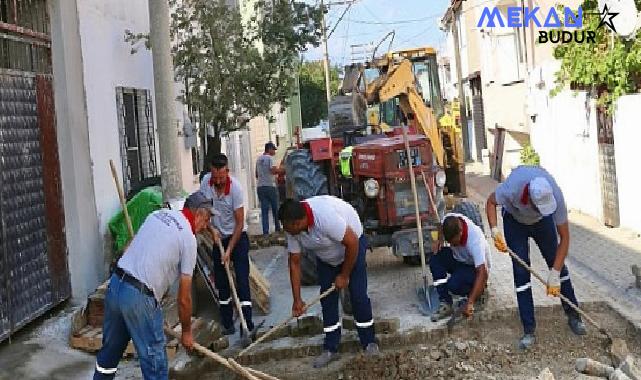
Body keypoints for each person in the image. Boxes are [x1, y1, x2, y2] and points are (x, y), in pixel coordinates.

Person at [94, 191, 216, 380]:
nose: (206, 226)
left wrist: (154, 305)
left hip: (116, 284)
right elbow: (184, 298)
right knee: (155, 364)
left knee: (109, 354)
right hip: (138, 296)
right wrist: (186, 333)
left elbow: (134, 248)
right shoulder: (188, 240)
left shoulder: (157, 215)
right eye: (207, 220)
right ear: (198, 214)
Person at [486, 165, 586, 350]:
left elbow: (565, 237)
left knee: (559, 267)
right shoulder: (512, 188)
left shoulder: (554, 195)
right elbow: (490, 203)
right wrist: (494, 230)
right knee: (521, 274)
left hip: (542, 224)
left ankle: (574, 316)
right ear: (530, 200)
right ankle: (529, 329)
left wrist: (554, 273)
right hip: (514, 222)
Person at [278, 196, 379, 368]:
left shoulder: (325, 216)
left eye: (288, 228)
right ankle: (331, 348)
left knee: (358, 296)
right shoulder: (292, 230)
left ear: (297, 223)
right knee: (328, 299)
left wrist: (345, 275)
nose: (286, 232)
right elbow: (294, 262)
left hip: (352, 248)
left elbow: (352, 242)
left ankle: (369, 342)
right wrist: (297, 299)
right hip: (326, 258)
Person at [200, 153, 256, 337]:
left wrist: (230, 250)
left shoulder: (236, 189)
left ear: (227, 172)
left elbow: (240, 223)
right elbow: (203, 212)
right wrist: (211, 230)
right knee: (222, 282)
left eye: (221, 177)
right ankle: (227, 323)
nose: (218, 181)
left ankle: (247, 324)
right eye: (215, 177)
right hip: (218, 237)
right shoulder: (205, 184)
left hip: (237, 237)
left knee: (241, 279)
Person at [429, 213, 490, 322]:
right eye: (450, 242)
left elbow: (483, 272)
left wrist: (470, 302)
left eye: (454, 242)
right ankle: (446, 302)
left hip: (474, 268)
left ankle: (478, 295)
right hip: (458, 260)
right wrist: (439, 239)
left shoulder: (475, 240)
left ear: (460, 232)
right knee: (435, 259)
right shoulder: (449, 219)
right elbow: (440, 225)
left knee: (454, 285)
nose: (452, 245)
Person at [255, 142, 285, 236]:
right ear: (269, 149)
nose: (274, 152)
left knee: (264, 210)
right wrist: (283, 170)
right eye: (273, 150)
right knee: (275, 208)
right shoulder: (270, 158)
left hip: (260, 187)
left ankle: (265, 232)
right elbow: (273, 171)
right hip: (270, 187)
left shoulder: (259, 159)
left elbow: (256, 175)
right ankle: (277, 228)